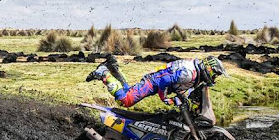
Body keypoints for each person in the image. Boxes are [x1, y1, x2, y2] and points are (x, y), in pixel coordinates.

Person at [86, 55, 227, 108]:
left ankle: (113, 67)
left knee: (128, 91)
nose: (214, 78)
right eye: (215, 74)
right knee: (126, 100)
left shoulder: (194, 72)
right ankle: (103, 72)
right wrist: (164, 97)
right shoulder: (189, 73)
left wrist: (180, 99)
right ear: (209, 69)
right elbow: (165, 81)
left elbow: (180, 87)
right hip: (153, 82)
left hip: (155, 80)